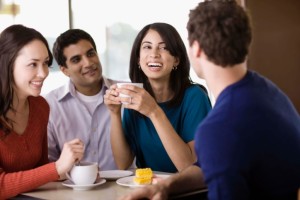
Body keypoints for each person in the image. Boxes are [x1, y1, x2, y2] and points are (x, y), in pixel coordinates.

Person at [120, 1, 300, 200]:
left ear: (196, 49)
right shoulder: (268, 92)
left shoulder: (219, 128)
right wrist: (167, 186)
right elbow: (209, 166)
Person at [104, 22, 211, 173]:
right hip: (149, 188)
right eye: (147, 47)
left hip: (187, 189)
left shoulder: (195, 97)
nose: (154, 54)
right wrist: (114, 113)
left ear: (176, 60)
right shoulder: (135, 97)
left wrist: (154, 111)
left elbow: (189, 167)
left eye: (164, 47)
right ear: (138, 59)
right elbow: (123, 163)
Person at [0, 24, 84, 199]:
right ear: (7, 65)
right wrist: (57, 168)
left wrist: (71, 174)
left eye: (46, 63)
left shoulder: (40, 107)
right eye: (33, 64)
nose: (43, 73)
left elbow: (40, 172)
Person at [44, 29, 118, 170]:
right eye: (76, 59)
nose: (88, 63)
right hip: (70, 188)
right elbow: (50, 164)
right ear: (65, 70)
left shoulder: (125, 93)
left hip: (124, 186)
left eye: (91, 54)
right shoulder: (50, 105)